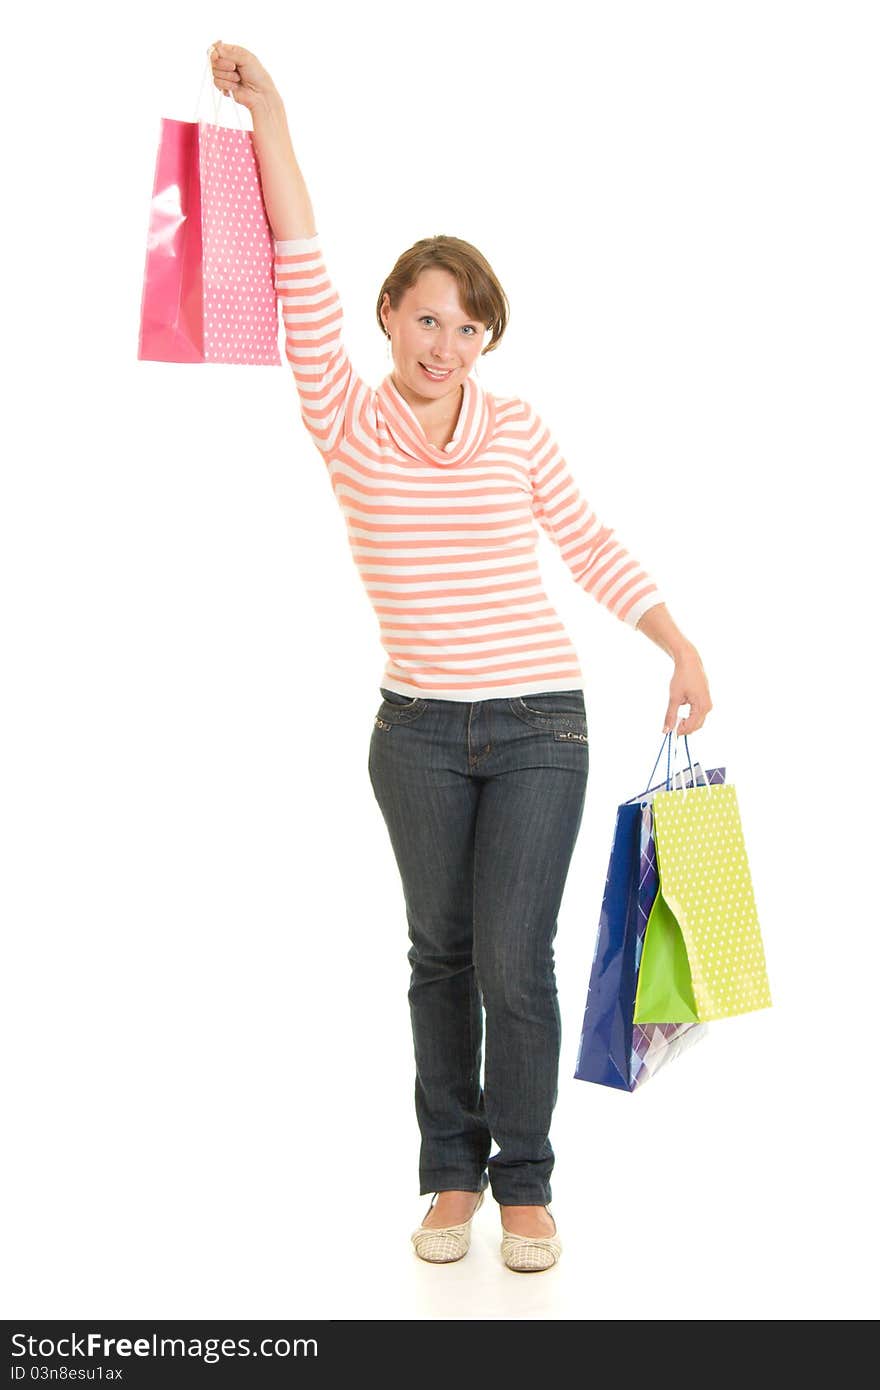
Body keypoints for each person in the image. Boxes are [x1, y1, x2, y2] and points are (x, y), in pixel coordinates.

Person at [208, 40, 712, 1274]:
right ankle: (449, 1175)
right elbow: (297, 259)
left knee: (512, 956)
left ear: (487, 338)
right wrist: (272, 109)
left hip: (541, 723)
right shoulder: (341, 412)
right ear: (388, 315)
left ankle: (525, 1185)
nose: (446, 340)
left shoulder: (514, 425)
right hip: (418, 734)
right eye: (427, 316)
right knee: (436, 953)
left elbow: (585, 539)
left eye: (468, 324)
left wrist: (674, 636)